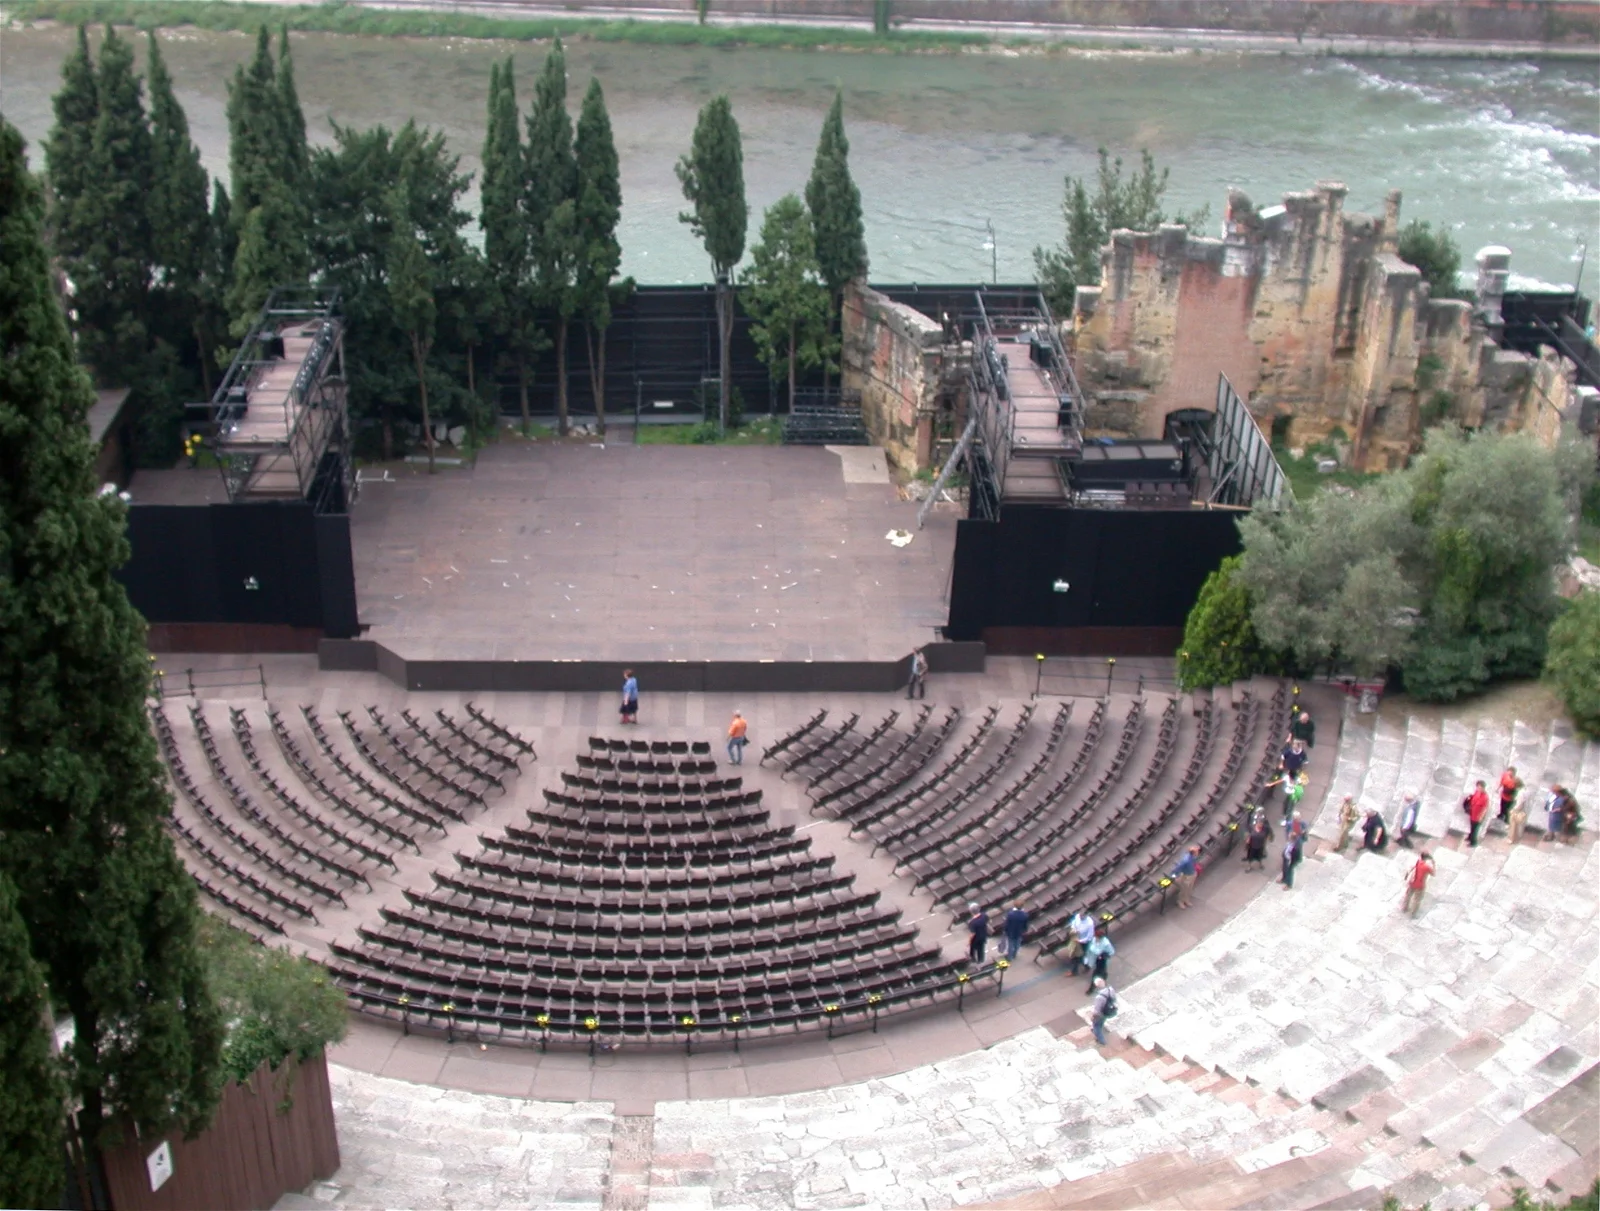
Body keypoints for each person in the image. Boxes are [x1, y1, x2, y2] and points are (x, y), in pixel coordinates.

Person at [1402, 849, 1436, 916]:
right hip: (1420, 885)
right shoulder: (1427, 867)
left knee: (1408, 896)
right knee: (1417, 899)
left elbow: (1409, 869)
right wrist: (1433, 864)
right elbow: (1433, 874)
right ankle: (1413, 913)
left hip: (1412, 882)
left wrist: (1406, 877)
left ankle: (1404, 908)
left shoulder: (1416, 862)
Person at [1083, 927, 1114, 992]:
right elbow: (1089, 950)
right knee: (1101, 970)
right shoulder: (1094, 939)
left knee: (1096, 974)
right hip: (1092, 957)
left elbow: (1111, 952)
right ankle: (1104, 974)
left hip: (1100, 960)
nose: (1095, 938)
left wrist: (1103, 956)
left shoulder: (1106, 943)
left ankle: (1092, 988)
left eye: (1097, 937)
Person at [1065, 908, 1095, 975]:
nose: (1080, 917)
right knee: (1074, 955)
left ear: (1086, 915)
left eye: (1082, 916)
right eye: (1080, 915)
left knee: (1081, 956)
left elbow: (1090, 936)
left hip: (1084, 942)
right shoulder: (1077, 916)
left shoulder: (1090, 923)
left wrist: (1080, 941)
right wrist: (1073, 929)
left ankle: (1086, 966)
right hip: (1076, 937)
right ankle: (1074, 971)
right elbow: (1073, 923)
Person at [1090, 978, 1117, 1046]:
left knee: (1096, 1026)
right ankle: (1099, 1029)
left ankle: (1101, 1040)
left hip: (1101, 1014)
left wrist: (1093, 1017)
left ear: (1096, 986)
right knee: (1101, 1023)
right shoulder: (1110, 989)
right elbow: (1114, 999)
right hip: (1108, 1010)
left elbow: (1097, 1011)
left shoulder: (1099, 997)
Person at [1464, 779, 1489, 847]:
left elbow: (1485, 808)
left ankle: (1473, 842)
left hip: (1478, 816)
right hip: (1473, 813)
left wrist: (1480, 817)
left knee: (1475, 830)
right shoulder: (1477, 792)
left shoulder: (1485, 798)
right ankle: (1470, 837)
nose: (1478, 789)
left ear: (1483, 788)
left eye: (1480, 787)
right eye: (1478, 787)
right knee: (1472, 827)